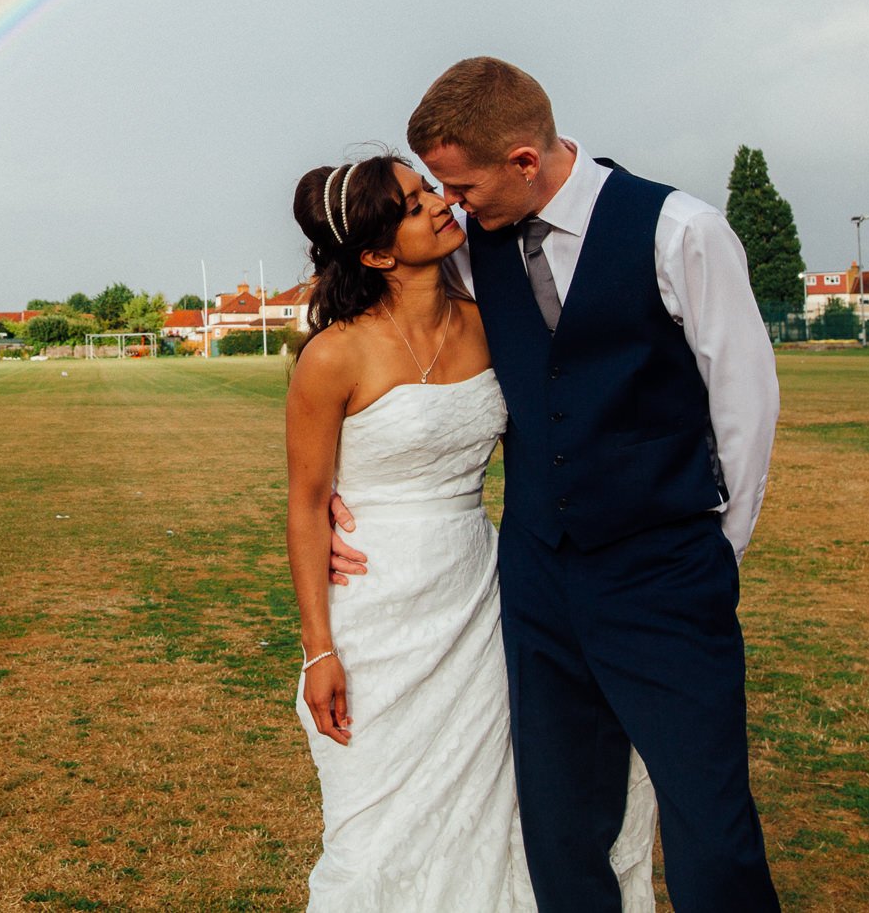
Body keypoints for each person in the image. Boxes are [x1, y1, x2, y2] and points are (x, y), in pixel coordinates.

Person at [331, 57, 781, 910]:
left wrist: (715, 549)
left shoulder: (678, 230)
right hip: (537, 577)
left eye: (462, 184)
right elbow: (379, 325)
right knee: (560, 824)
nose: (453, 204)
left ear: (525, 162)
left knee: (708, 821)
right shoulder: (475, 253)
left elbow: (745, 402)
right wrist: (334, 481)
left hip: (664, 571)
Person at [286, 152, 655, 910]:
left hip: (480, 588)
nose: (438, 204)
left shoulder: (496, 327)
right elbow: (305, 501)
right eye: (415, 202)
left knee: (501, 798)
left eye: (430, 189)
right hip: (376, 604)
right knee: (376, 821)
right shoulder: (333, 354)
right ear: (378, 251)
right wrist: (319, 648)